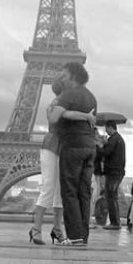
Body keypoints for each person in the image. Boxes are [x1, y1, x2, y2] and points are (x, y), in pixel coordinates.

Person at [49, 62, 98, 246]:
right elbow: (91, 122)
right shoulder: (91, 97)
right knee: (84, 193)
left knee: (69, 192)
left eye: (64, 75)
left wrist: (60, 110)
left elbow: (54, 118)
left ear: (74, 76)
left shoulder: (68, 94)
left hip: (72, 146)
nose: (62, 78)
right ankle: (82, 236)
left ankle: (74, 236)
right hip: (89, 147)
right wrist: (82, 115)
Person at [29, 80, 67, 245]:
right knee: (49, 186)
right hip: (52, 146)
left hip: (61, 146)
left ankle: (57, 228)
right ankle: (36, 228)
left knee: (58, 189)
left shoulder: (62, 103)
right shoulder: (58, 103)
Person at [101, 120, 126, 230]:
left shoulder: (114, 139)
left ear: (111, 127)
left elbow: (106, 152)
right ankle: (115, 222)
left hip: (113, 172)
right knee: (112, 196)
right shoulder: (118, 139)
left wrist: (100, 146)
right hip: (117, 171)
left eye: (106, 128)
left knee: (111, 196)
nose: (105, 131)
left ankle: (115, 223)